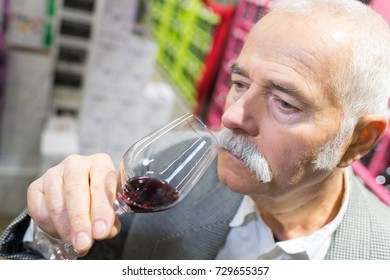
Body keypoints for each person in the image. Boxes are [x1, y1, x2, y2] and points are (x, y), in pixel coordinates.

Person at [1, 0, 390, 260]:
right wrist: (52, 226)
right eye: (240, 83)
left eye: (284, 103)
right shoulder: (170, 164)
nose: (235, 116)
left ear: (360, 140)